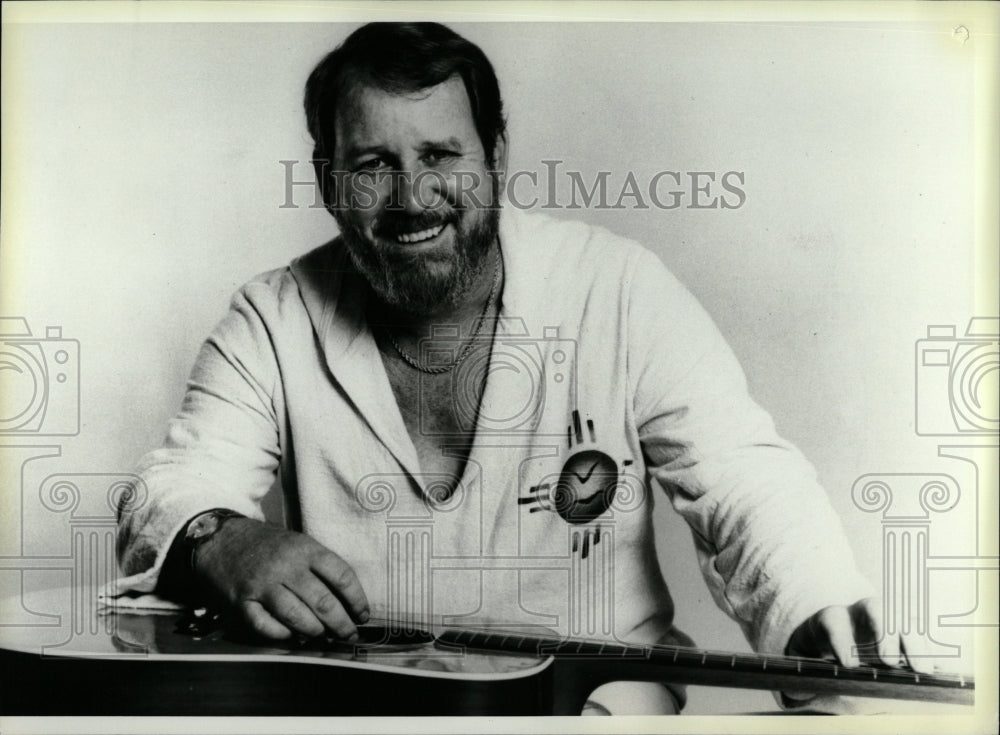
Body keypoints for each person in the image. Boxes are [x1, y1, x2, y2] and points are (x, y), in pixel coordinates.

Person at [114, 22, 916, 715]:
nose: (412, 194)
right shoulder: (270, 318)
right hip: (360, 712)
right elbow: (171, 487)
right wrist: (223, 540)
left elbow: (742, 477)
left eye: (440, 153)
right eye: (371, 163)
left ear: (496, 155)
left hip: (595, 704)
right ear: (327, 182)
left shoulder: (617, 288)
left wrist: (814, 608)